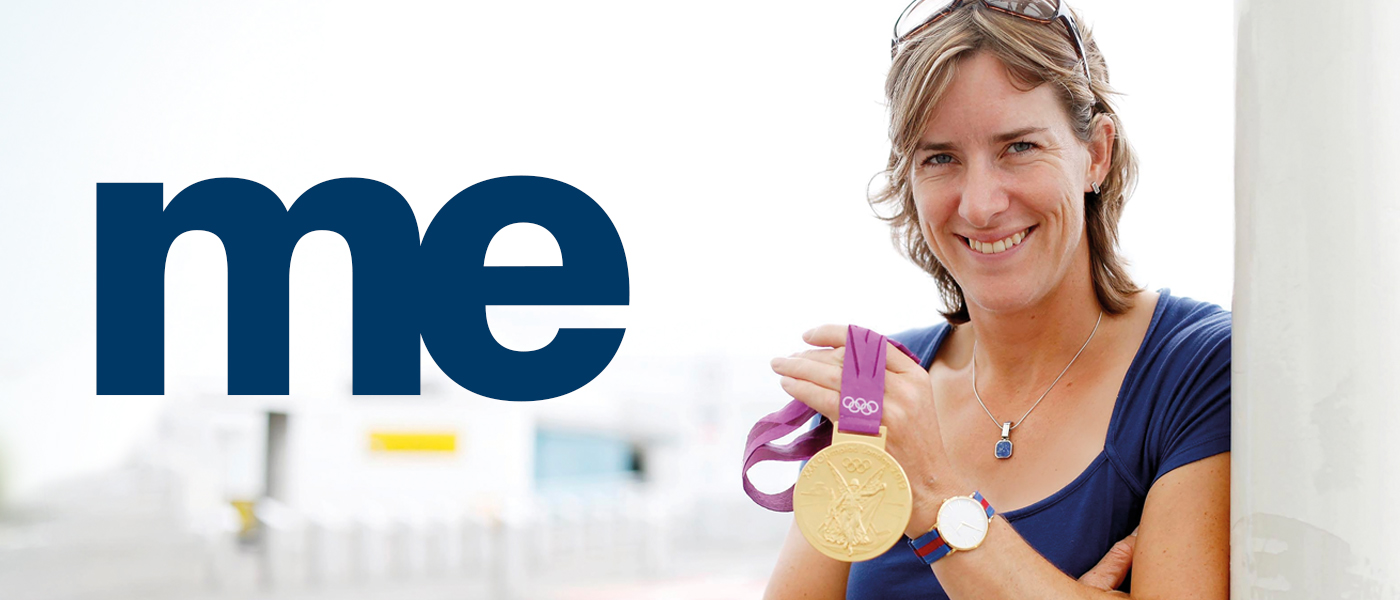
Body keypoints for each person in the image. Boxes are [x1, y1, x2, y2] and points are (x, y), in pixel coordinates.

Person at [764, 1, 1230, 598]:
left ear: (1096, 153)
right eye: (940, 158)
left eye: (1019, 147)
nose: (980, 204)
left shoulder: (1200, 369)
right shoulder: (877, 385)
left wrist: (935, 497)